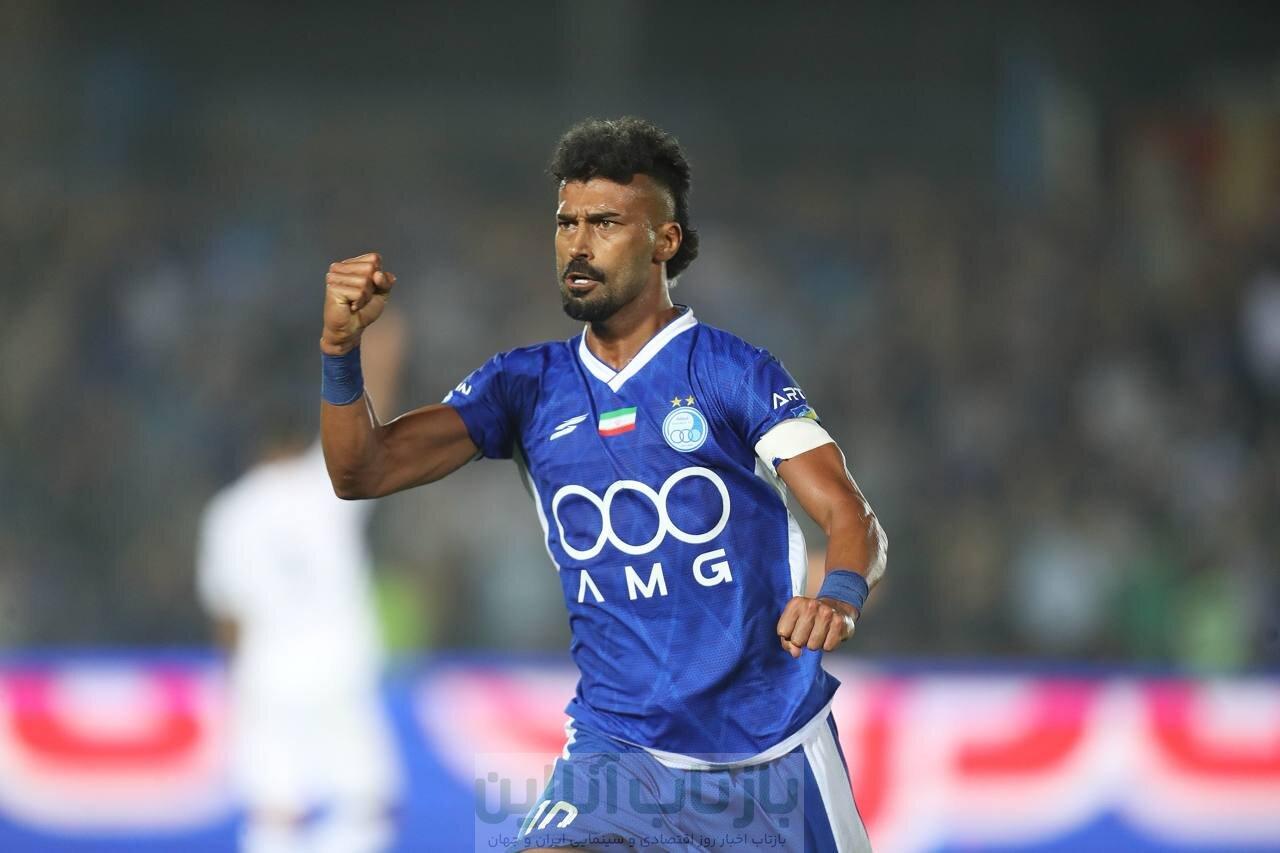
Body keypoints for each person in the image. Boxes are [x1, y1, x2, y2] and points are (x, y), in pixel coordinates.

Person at [319, 117, 887, 852]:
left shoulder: (730, 371)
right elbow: (361, 470)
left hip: (769, 754)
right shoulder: (525, 386)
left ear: (664, 240)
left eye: (606, 223)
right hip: (618, 754)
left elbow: (848, 512)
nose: (578, 244)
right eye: (567, 223)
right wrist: (339, 351)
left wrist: (837, 595)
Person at [197, 315, 406, 853]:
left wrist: (235, 682)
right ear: (298, 439)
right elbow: (370, 419)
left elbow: (228, 616)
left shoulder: (229, 511)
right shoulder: (325, 483)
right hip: (339, 665)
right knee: (368, 802)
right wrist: (382, 350)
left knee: (275, 809)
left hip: (268, 672)